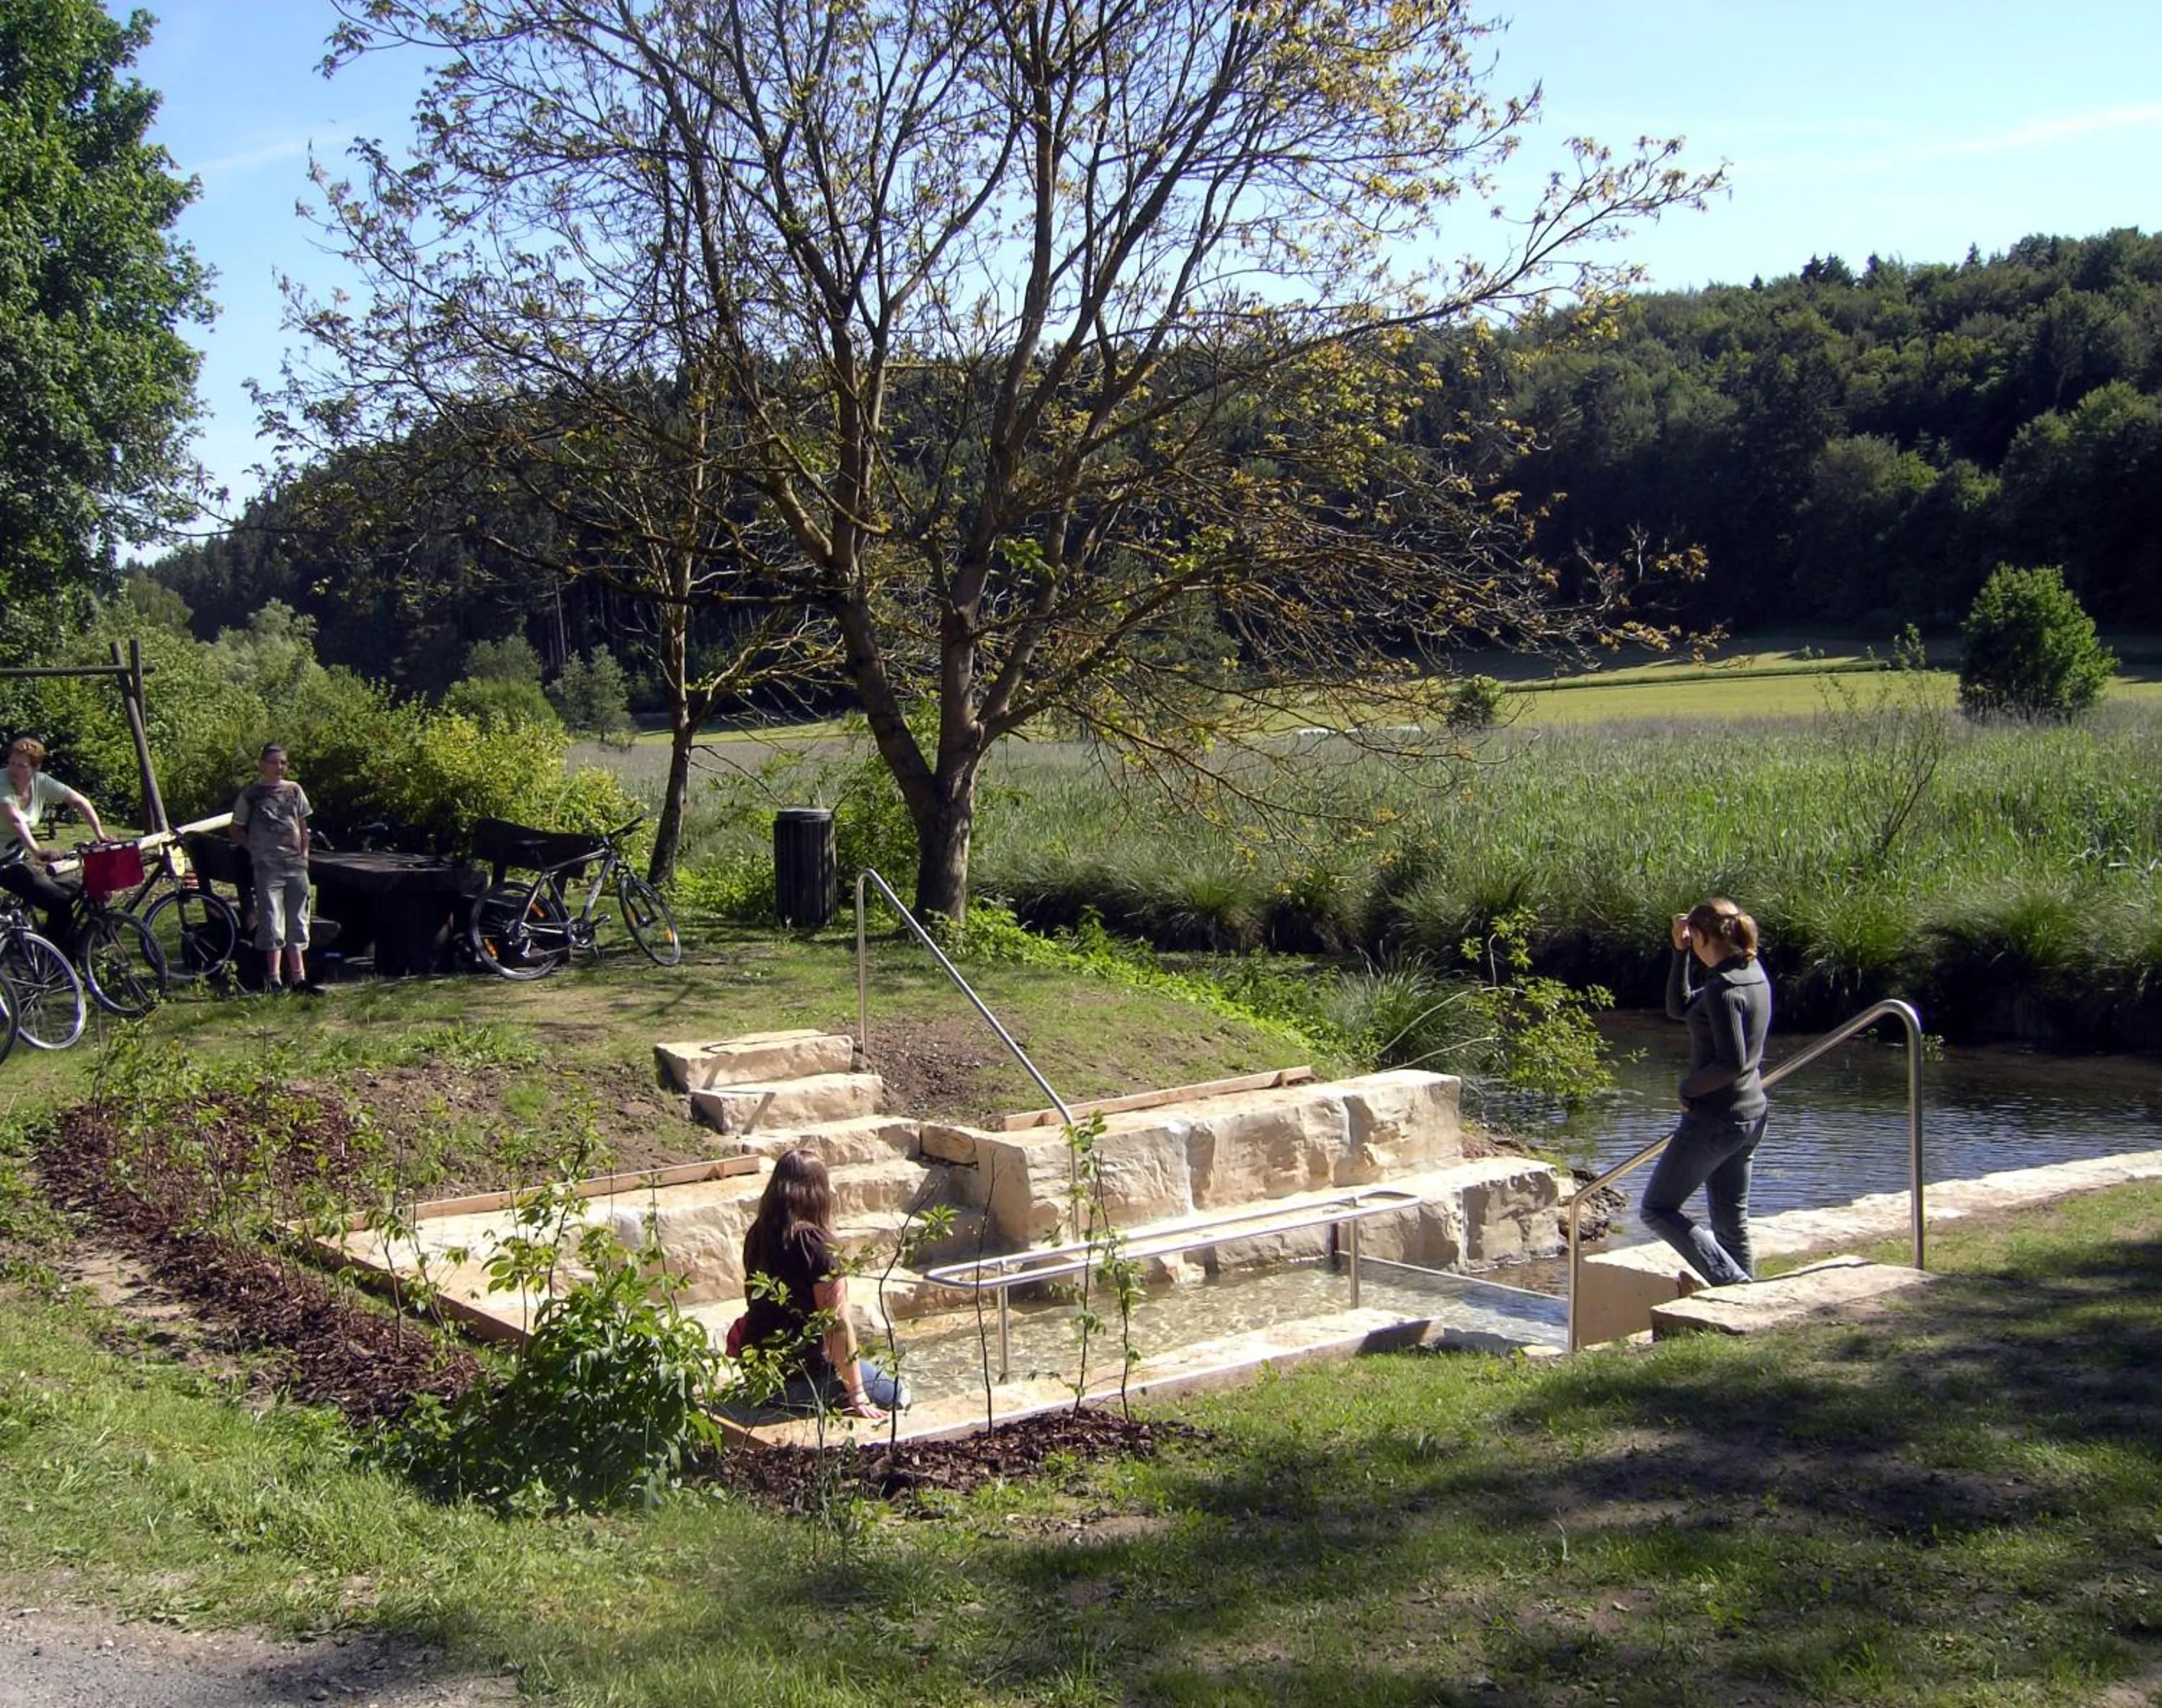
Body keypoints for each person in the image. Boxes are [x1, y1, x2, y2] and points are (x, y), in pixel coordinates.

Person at [1639, 897, 1774, 1290]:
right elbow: (1679, 1008)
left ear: (1700, 935)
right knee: (1732, 1223)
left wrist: (1688, 1088)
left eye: (1691, 938)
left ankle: (1733, 1284)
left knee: (1657, 1209)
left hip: (1716, 1118)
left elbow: (1731, 1062)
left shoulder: (1723, 988)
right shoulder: (1751, 971)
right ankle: (1751, 1301)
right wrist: (1679, 954)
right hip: (1751, 1114)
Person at [739, 1148, 909, 1420]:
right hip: (802, 1381)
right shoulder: (816, 1245)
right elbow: (835, 1323)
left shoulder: (757, 1235)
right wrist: (857, 1394)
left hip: (763, 1377)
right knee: (899, 1394)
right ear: (817, 1192)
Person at [229, 743, 319, 995]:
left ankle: (299, 978)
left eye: (283, 763)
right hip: (268, 865)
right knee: (271, 918)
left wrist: (304, 855)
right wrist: (256, 850)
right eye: (273, 762)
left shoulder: (294, 790)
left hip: (294, 863)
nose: (279, 767)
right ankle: (274, 978)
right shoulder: (252, 794)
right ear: (262, 765)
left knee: (298, 918)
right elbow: (236, 829)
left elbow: (302, 825)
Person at [1, 737, 104, 947]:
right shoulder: (1, 783)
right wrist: (39, 852)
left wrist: (100, 834)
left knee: (78, 888)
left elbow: (80, 801)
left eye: (22, 765)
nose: (14, 769)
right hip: (3, 863)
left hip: (16, 857)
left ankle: (50, 942)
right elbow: (16, 820)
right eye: (12, 763)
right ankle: (61, 968)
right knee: (58, 902)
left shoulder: (42, 782)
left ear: (35, 767)